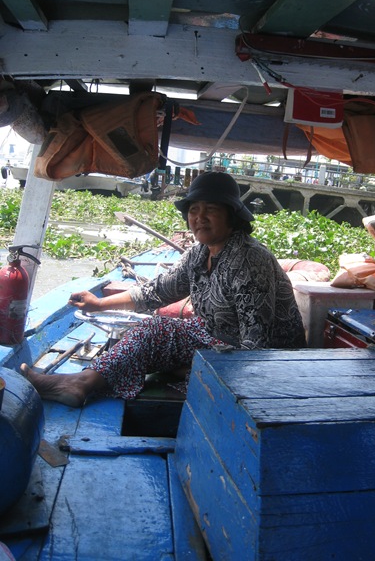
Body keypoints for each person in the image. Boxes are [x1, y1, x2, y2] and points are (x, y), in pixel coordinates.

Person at [21, 171, 306, 407]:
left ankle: (173, 372)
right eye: (194, 210)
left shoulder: (249, 260)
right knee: (153, 329)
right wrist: (98, 304)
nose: (199, 217)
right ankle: (81, 383)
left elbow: (256, 347)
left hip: (268, 361)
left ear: (232, 215)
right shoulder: (200, 253)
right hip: (216, 339)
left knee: (178, 365)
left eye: (211, 209)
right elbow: (157, 292)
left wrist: (199, 367)